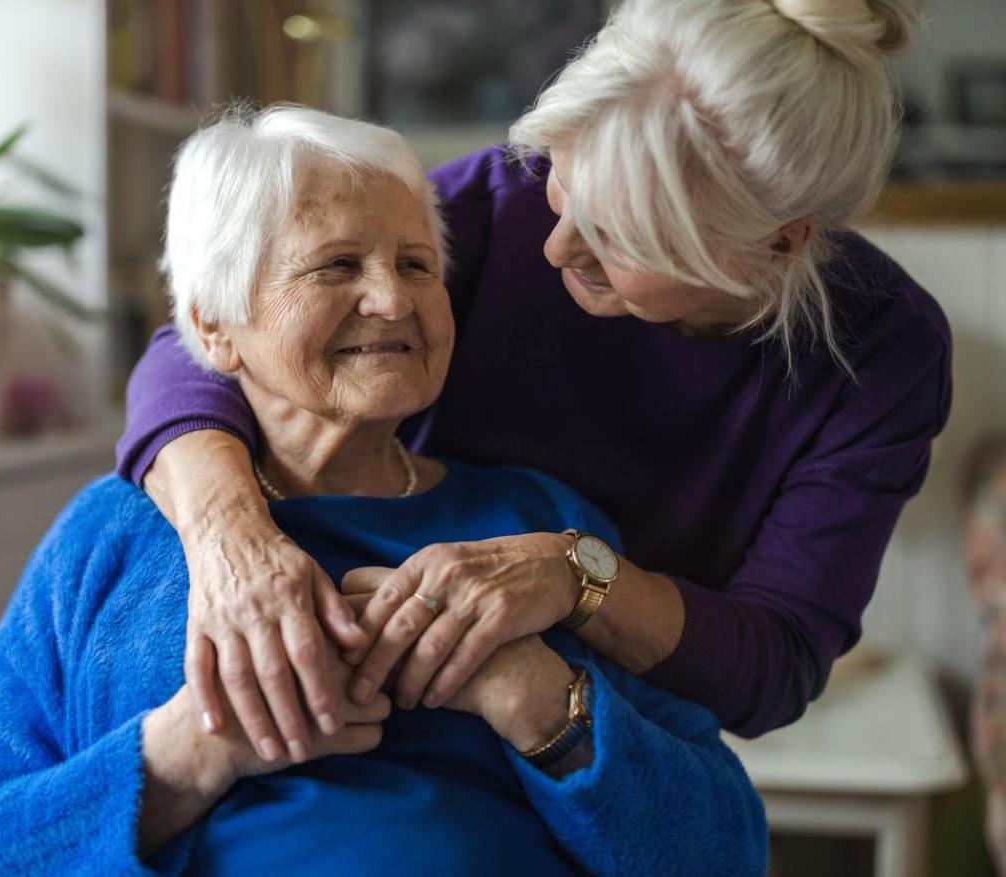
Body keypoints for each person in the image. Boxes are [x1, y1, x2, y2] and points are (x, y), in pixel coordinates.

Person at [0, 106, 766, 875]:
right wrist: (198, 748)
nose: (392, 299)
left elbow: (726, 848)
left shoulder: (542, 527)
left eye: (418, 264)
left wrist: (529, 691)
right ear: (212, 322)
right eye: (337, 265)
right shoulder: (111, 536)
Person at [115, 0, 952, 762]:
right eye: (563, 184)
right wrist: (234, 543)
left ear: (780, 244)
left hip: (606, 729)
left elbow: (776, 663)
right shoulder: (500, 202)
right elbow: (199, 341)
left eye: (619, 236)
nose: (555, 249)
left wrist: (579, 576)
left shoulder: (882, 351)